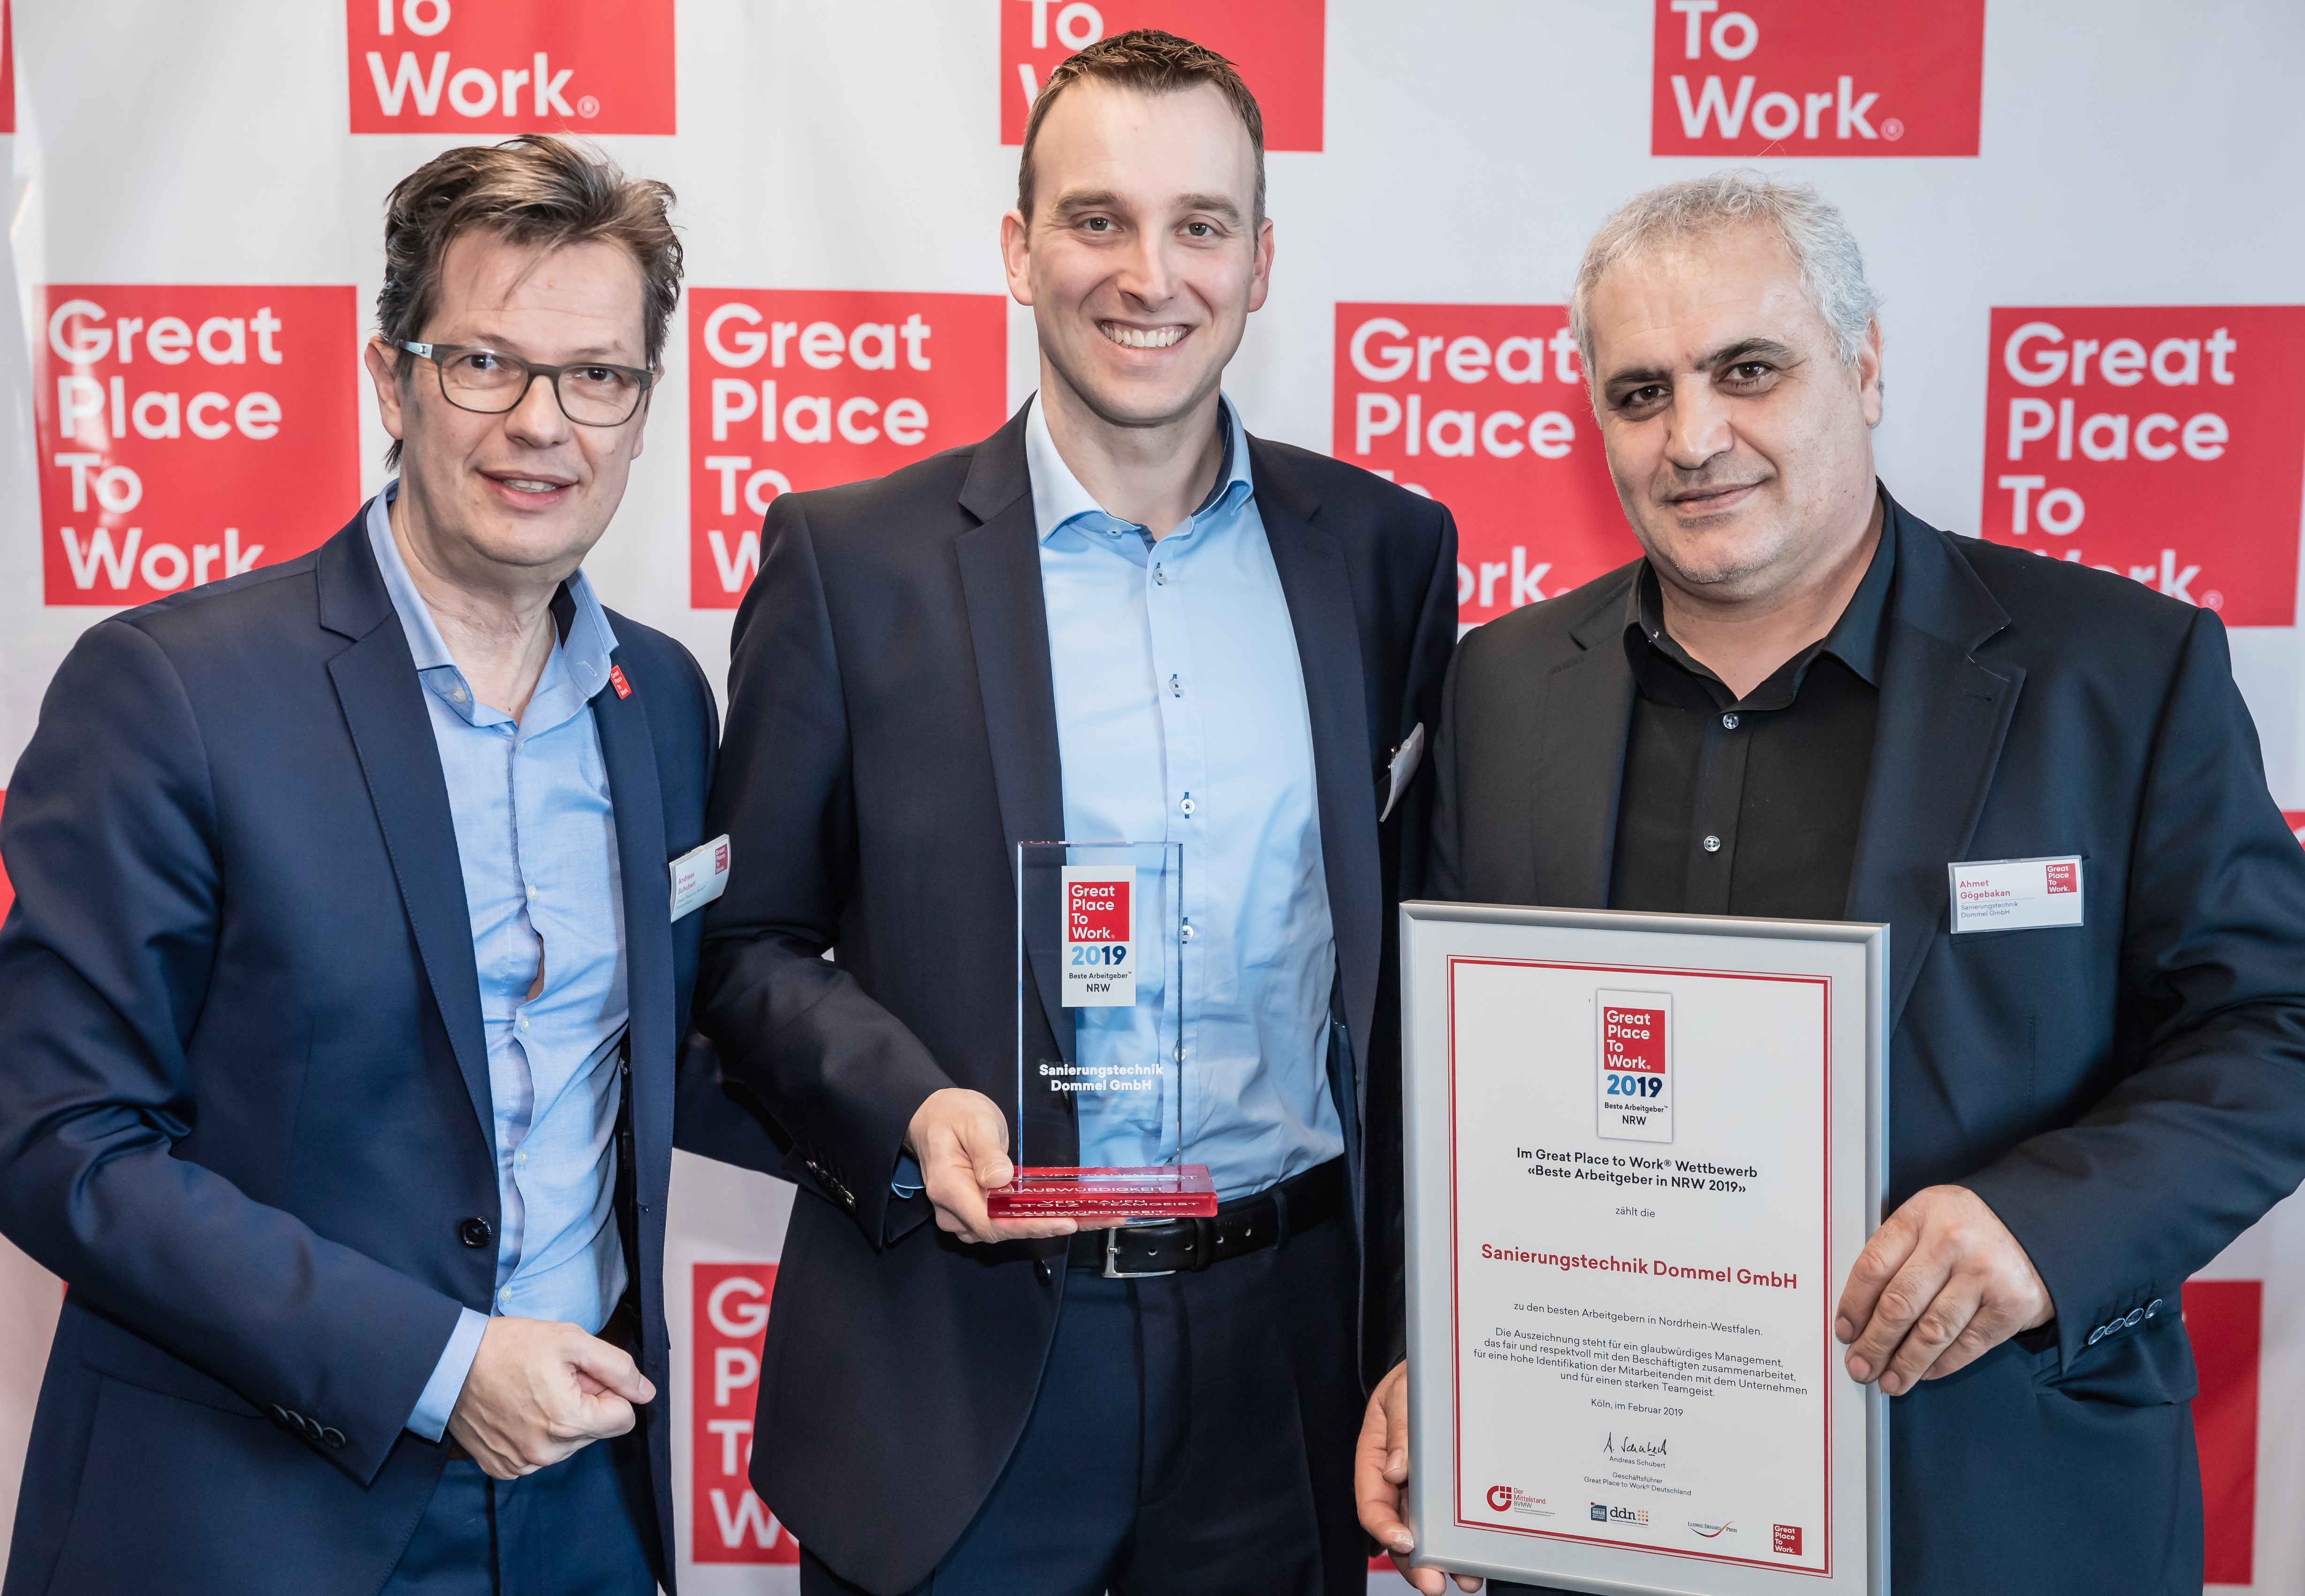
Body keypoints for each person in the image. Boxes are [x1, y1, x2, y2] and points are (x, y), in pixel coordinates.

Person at [1355, 170, 2305, 1595]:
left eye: (1748, 370)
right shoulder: (1498, 686)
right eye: (1639, 393)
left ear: (1862, 367)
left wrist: (2045, 1227)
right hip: (1602, 1513)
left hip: (1992, 1508)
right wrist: (1432, 1348)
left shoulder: (2119, 670)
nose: (1693, 439)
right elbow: (1438, 1082)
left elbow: (2276, 1025)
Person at [698, 29, 1456, 1596]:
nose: (1148, 275)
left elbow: (1405, 952)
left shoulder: (1384, 553)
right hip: (958, 1360)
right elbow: (747, 945)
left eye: (1200, 225)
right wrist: (906, 1106)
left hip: (1280, 1357)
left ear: (1260, 262)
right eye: (1096, 219)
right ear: (1017, 248)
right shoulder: (849, 563)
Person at [0, 136, 776, 1595]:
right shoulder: (172, 689)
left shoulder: (664, 700)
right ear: (390, 378)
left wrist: (934, 1111)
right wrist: (438, 1363)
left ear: (641, 406)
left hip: (586, 1504)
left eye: (596, 376)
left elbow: (674, 1043)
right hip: (251, 1510)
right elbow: (58, 1136)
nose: (540, 423)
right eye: (484, 362)